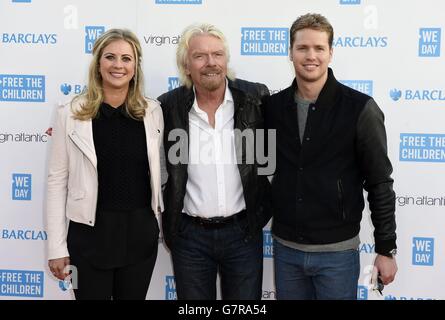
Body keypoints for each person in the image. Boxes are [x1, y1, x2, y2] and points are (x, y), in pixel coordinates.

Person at [264, 13, 397, 300]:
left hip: (337, 254)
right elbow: (259, 169)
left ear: (331, 53)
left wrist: (386, 248)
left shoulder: (360, 109)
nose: (311, 56)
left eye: (319, 48)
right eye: (302, 48)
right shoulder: (273, 108)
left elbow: (380, 182)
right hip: (286, 251)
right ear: (290, 52)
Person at [46, 28, 164, 300]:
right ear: (98, 64)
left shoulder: (152, 112)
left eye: (126, 58)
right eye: (110, 57)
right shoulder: (71, 113)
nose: (118, 65)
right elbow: (56, 182)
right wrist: (56, 247)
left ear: (136, 66)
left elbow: (160, 172)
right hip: (88, 237)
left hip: (139, 236)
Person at [158, 23, 272, 300]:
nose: (211, 63)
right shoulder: (168, 107)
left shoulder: (255, 99)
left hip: (243, 233)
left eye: (217, 54)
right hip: (190, 237)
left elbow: (269, 162)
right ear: (186, 66)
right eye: (200, 56)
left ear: (226, 60)